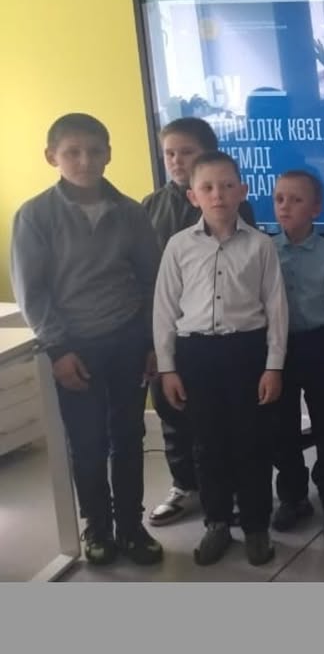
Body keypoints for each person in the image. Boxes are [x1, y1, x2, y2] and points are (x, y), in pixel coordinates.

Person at [11, 112, 163, 566]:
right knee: (87, 442)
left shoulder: (131, 212)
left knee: (128, 436)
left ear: (109, 154)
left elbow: (152, 280)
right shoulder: (35, 216)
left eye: (95, 151)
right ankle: (97, 526)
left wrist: (152, 342)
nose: (85, 160)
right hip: (74, 348)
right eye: (72, 152)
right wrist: (58, 349)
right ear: (51, 157)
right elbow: (32, 292)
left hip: (128, 340)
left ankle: (131, 526)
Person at [153, 151, 289, 567]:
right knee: (207, 445)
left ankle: (256, 526)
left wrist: (273, 365)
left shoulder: (261, 245)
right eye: (208, 187)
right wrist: (168, 368)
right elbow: (164, 309)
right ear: (193, 195)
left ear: (242, 191)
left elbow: (276, 308)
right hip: (196, 355)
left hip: (246, 353)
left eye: (228, 186)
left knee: (251, 443)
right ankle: (216, 523)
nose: (218, 195)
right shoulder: (178, 246)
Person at [142, 116, 257, 527]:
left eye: (186, 152)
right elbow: (145, 275)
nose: (176, 160)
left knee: (223, 418)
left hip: (219, 332)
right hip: (169, 326)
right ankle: (184, 484)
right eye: (169, 153)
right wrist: (153, 340)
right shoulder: (150, 207)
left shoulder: (235, 206)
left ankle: (234, 490)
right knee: (172, 409)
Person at [269, 170, 324, 538]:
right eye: (279, 198)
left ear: (315, 208)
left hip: (319, 345)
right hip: (278, 348)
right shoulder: (265, 250)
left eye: (296, 199)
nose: (285, 206)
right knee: (281, 427)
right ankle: (293, 497)